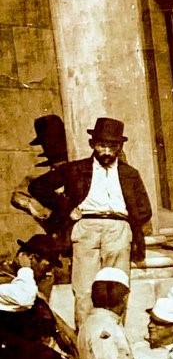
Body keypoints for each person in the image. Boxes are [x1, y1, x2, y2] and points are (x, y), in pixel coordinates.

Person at [27, 116, 152, 330]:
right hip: (86, 227)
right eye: (102, 145)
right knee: (84, 289)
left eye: (112, 146)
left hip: (118, 229)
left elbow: (144, 209)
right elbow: (38, 187)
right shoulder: (75, 169)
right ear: (92, 144)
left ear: (119, 146)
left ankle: (112, 337)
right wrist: (66, 208)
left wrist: (126, 222)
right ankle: (86, 337)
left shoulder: (130, 174)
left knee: (117, 288)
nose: (106, 151)